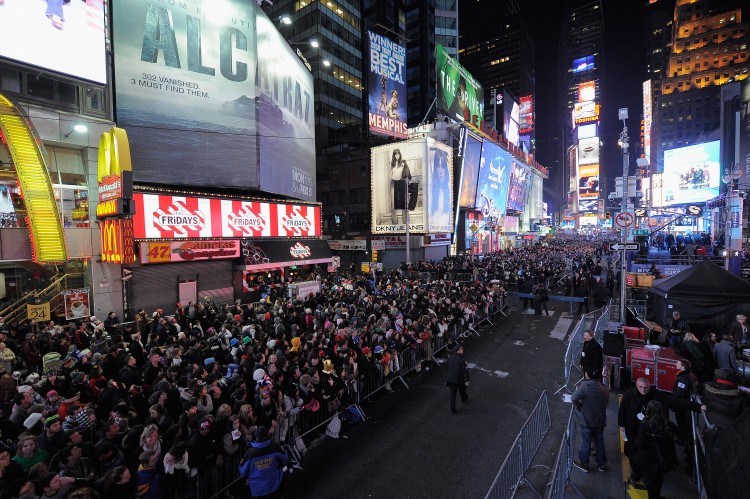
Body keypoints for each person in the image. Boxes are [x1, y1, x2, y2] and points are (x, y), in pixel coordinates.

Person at [618, 377, 704, 483]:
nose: (643, 390)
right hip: (633, 430)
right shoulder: (629, 395)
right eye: (641, 387)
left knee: (647, 456)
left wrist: (698, 407)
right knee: (632, 453)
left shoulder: (658, 395)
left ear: (650, 386)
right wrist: (621, 425)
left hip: (649, 433)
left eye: (646, 387)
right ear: (636, 386)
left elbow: (677, 402)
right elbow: (622, 409)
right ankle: (636, 472)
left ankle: (646, 473)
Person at [571, 368, 610, 473]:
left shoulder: (584, 387)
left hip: (587, 420)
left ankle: (584, 462)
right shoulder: (605, 389)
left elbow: (573, 398)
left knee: (586, 442)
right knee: (600, 441)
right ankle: (601, 464)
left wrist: (579, 406)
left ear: (587, 375)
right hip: (600, 420)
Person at [635, 400, 675, 499]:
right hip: (663, 458)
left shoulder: (645, 425)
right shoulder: (668, 424)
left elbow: (640, 443)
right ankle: (656, 496)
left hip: (647, 459)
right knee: (658, 480)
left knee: (650, 482)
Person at [239, 426, 287, 499]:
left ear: (256, 438)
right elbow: (284, 459)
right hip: (274, 484)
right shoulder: (275, 446)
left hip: (257, 489)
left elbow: (242, 472)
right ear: (267, 435)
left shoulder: (250, 453)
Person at [429, 148, 451, 228]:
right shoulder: (431, 190)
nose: (440, 172)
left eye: (443, 167)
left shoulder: (449, 192)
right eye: (438, 166)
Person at [389, 149, 411, 224]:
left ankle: (405, 222)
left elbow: (406, 174)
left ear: (400, 154)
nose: (397, 155)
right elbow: (391, 175)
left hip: (401, 183)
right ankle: (394, 223)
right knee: (393, 205)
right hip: (393, 183)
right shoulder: (392, 164)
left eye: (398, 154)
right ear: (394, 155)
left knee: (404, 204)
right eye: (395, 154)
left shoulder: (403, 162)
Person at [446, 342, 469, 414]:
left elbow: (448, 368)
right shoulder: (462, 359)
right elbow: (465, 371)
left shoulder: (450, 359)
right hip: (459, 379)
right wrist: (466, 380)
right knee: (462, 388)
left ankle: (453, 409)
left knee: (452, 395)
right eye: (461, 349)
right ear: (458, 350)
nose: (462, 349)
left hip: (451, 379)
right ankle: (464, 398)